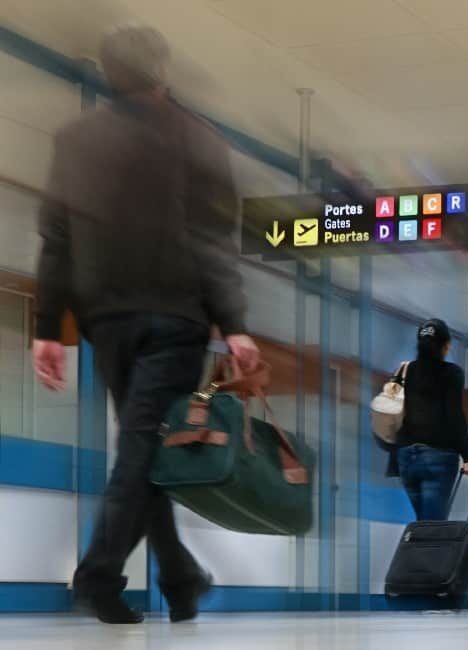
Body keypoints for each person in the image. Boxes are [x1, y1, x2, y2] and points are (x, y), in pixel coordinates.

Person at [32, 25, 259, 624]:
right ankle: (98, 574)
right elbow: (214, 243)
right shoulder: (196, 140)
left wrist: (46, 327)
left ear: (108, 74)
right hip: (176, 319)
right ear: (162, 71)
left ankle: (181, 577)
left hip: (105, 322)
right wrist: (233, 325)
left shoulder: (76, 140)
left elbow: (55, 240)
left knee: (144, 446)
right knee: (144, 445)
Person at [396, 319, 468, 520]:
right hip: (437, 457)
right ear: (446, 345)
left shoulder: (405, 371)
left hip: (406, 458)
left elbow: (394, 411)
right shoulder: (451, 373)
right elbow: (454, 414)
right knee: (432, 529)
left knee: (424, 525)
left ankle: (421, 549)